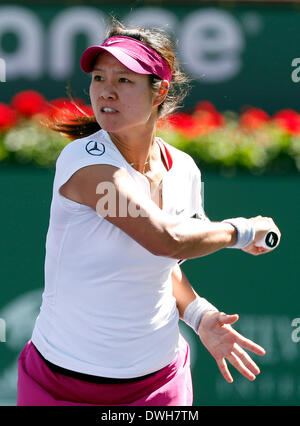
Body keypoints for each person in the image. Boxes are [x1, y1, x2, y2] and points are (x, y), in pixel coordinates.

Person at [17, 19, 280, 406]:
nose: (106, 90)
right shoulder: (85, 163)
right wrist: (241, 231)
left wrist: (200, 316)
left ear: (160, 92)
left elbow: (162, 262)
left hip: (159, 385)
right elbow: (162, 238)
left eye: (124, 80)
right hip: (61, 386)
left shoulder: (184, 169)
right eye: (99, 77)